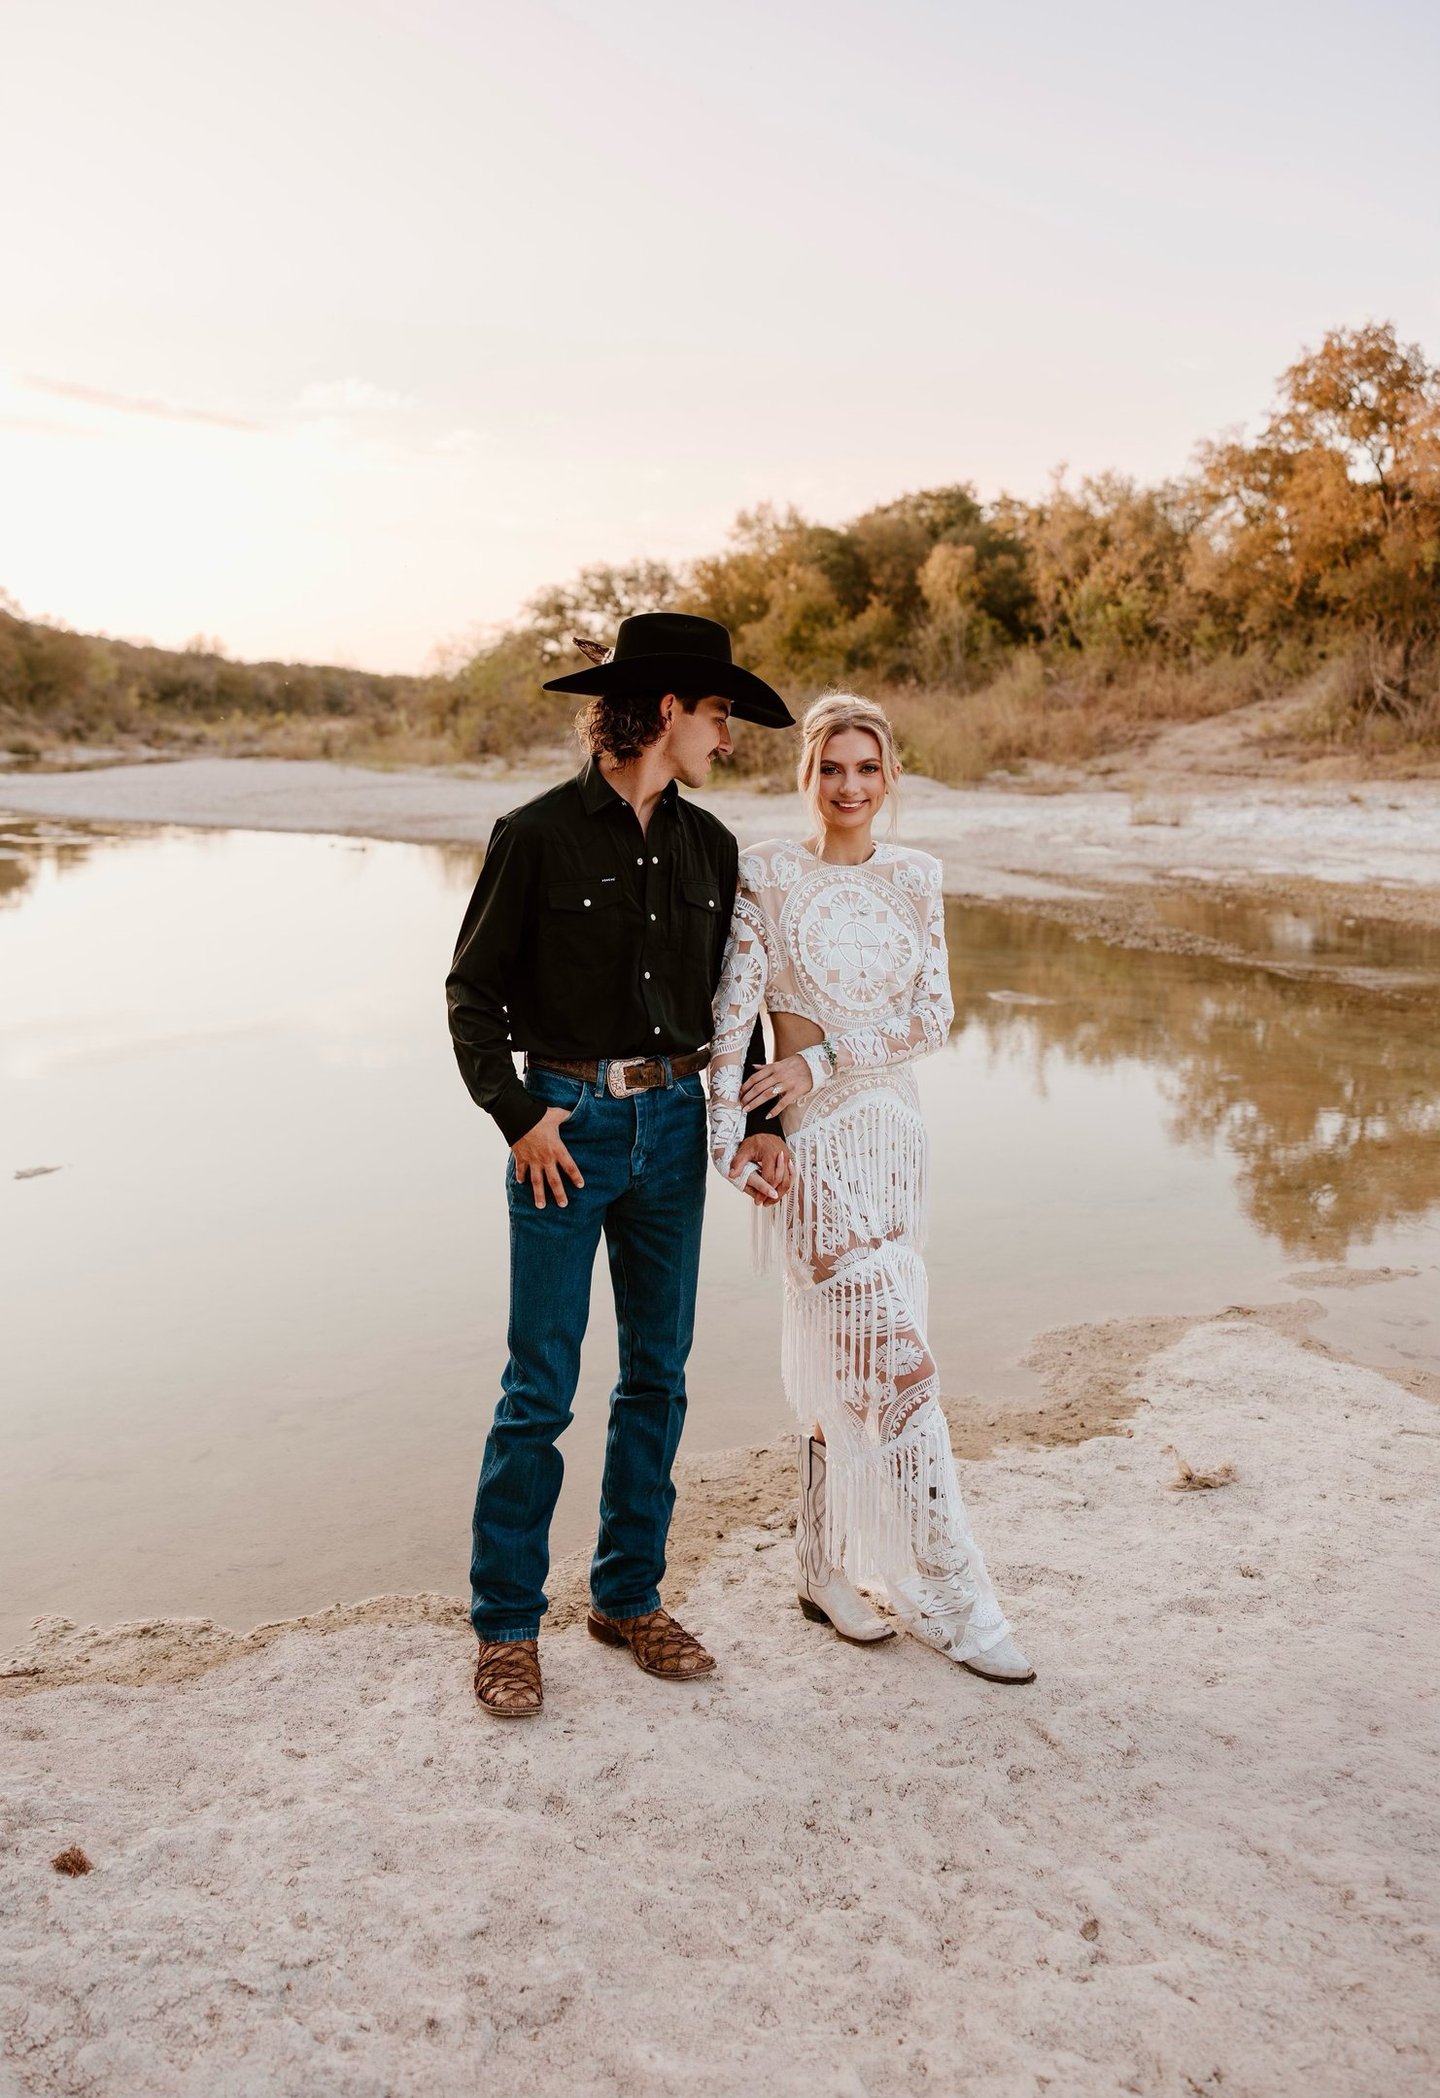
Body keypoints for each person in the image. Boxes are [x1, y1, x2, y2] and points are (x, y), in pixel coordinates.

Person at [447, 612, 794, 1718]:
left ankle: (626, 1597)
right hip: (564, 1130)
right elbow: (471, 996)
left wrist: (766, 1120)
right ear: (667, 710)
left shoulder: (713, 847)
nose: (728, 737)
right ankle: (508, 1625)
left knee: (657, 1374)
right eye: (719, 714)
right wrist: (519, 1118)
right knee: (538, 1387)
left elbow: (734, 1005)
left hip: (676, 1129)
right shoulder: (535, 834)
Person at [707, 693, 1035, 1682]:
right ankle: (954, 1596)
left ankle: (821, 1568)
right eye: (831, 767)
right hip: (809, 1154)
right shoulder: (766, 872)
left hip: (896, 1146)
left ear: (890, 777)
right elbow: (729, 1020)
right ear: (805, 773)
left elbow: (935, 1015)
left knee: (845, 1376)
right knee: (901, 1370)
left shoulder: (916, 876)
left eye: (867, 768)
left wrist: (824, 1057)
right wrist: (733, 1140)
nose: (849, 786)